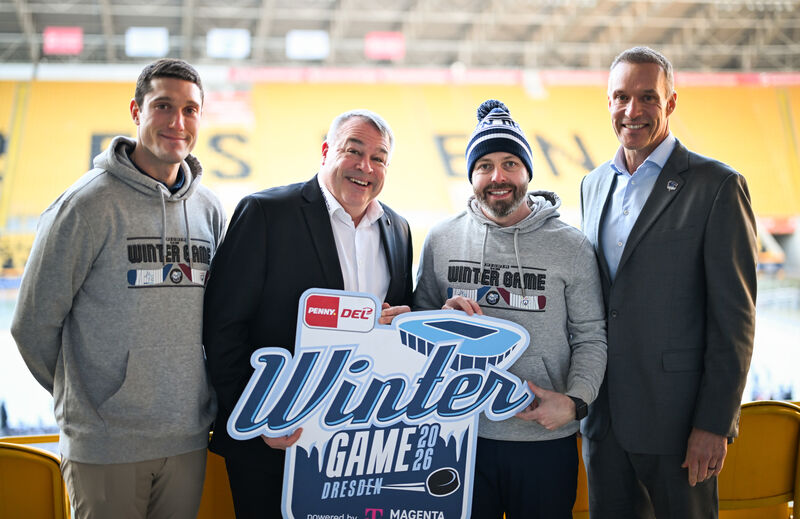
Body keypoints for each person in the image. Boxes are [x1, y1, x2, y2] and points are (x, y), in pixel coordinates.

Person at [11, 58, 226, 518]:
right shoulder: (86, 206)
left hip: (187, 437)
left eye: (190, 110)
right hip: (106, 445)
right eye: (163, 105)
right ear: (136, 111)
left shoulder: (209, 209)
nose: (177, 122)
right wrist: (97, 400)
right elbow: (32, 324)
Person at [202, 109, 413, 518]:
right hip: (275, 440)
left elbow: (395, 324)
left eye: (379, 158)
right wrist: (259, 417)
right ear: (325, 152)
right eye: (353, 151)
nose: (365, 167)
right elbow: (223, 328)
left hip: (356, 448)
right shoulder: (266, 212)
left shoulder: (398, 229)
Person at [579, 46, 758, 518]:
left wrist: (714, 424)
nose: (631, 111)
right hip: (605, 423)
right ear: (608, 102)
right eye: (620, 97)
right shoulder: (592, 184)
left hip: (679, 429)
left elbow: (735, 319)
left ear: (671, 103)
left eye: (647, 98)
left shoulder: (717, 185)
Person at [413, 99, 607, 518]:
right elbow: (416, 326)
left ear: (527, 172)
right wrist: (441, 321)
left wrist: (575, 401)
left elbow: (592, 336)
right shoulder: (442, 239)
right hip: (458, 437)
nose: (497, 177)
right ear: (470, 175)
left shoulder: (569, 246)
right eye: (484, 165)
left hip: (542, 442)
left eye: (510, 163)